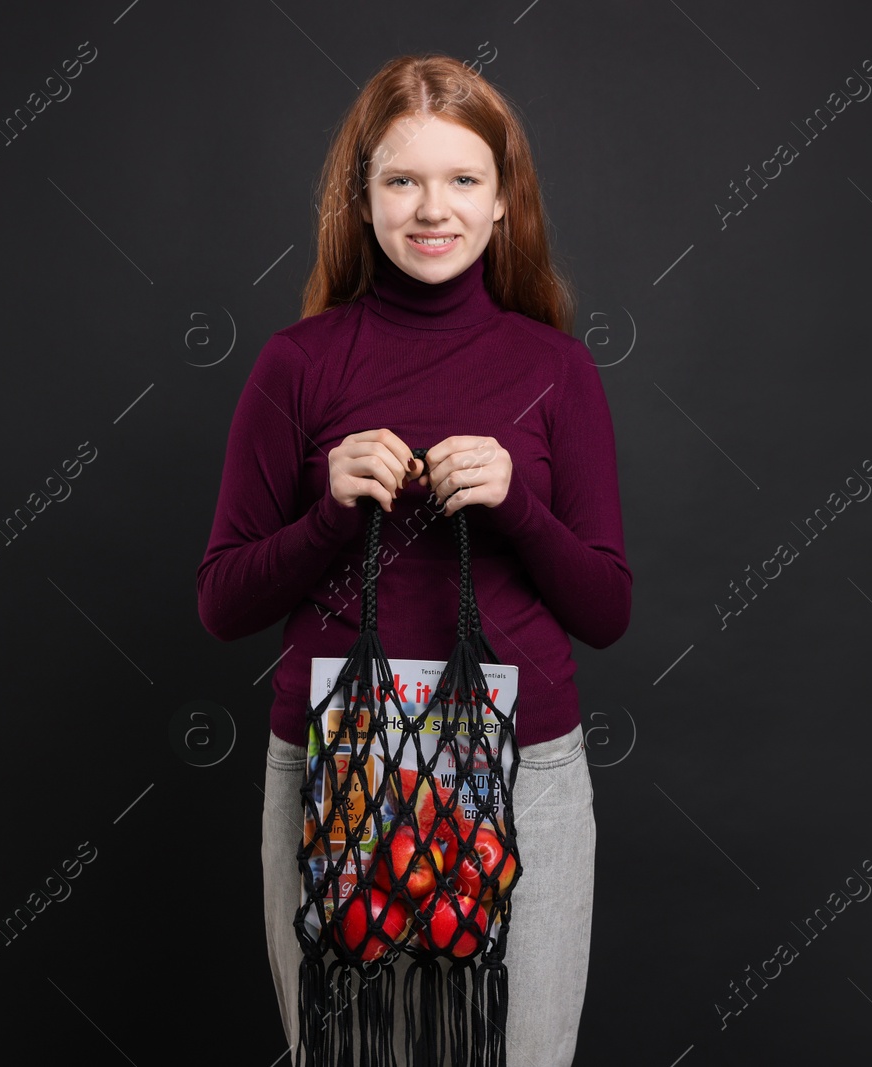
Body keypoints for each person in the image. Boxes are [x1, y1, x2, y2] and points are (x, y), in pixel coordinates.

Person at [196, 52, 631, 1067]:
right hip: (338, 766)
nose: (431, 207)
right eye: (401, 179)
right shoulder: (297, 364)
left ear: (502, 205)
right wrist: (330, 515)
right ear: (363, 199)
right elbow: (222, 601)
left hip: (521, 769)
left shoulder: (555, 369)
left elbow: (606, 606)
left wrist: (516, 504)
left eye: (462, 179)